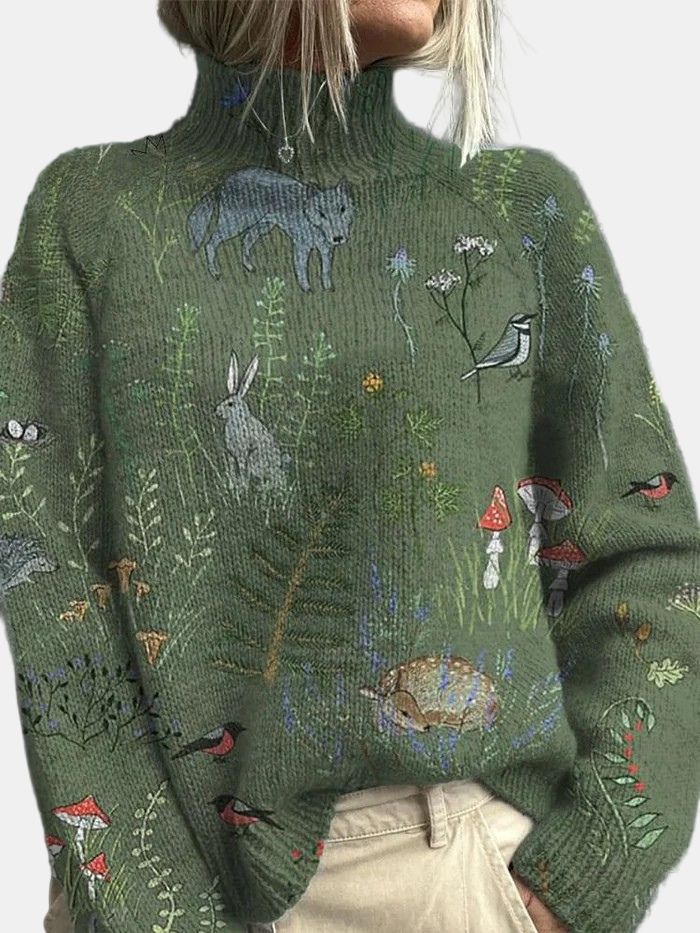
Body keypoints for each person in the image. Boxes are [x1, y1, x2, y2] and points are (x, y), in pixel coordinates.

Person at [1, 1, 698, 931]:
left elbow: (647, 555)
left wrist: (576, 879)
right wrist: (149, 910)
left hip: (453, 871)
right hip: (155, 879)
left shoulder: (517, 211)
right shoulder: (93, 217)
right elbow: (51, 587)